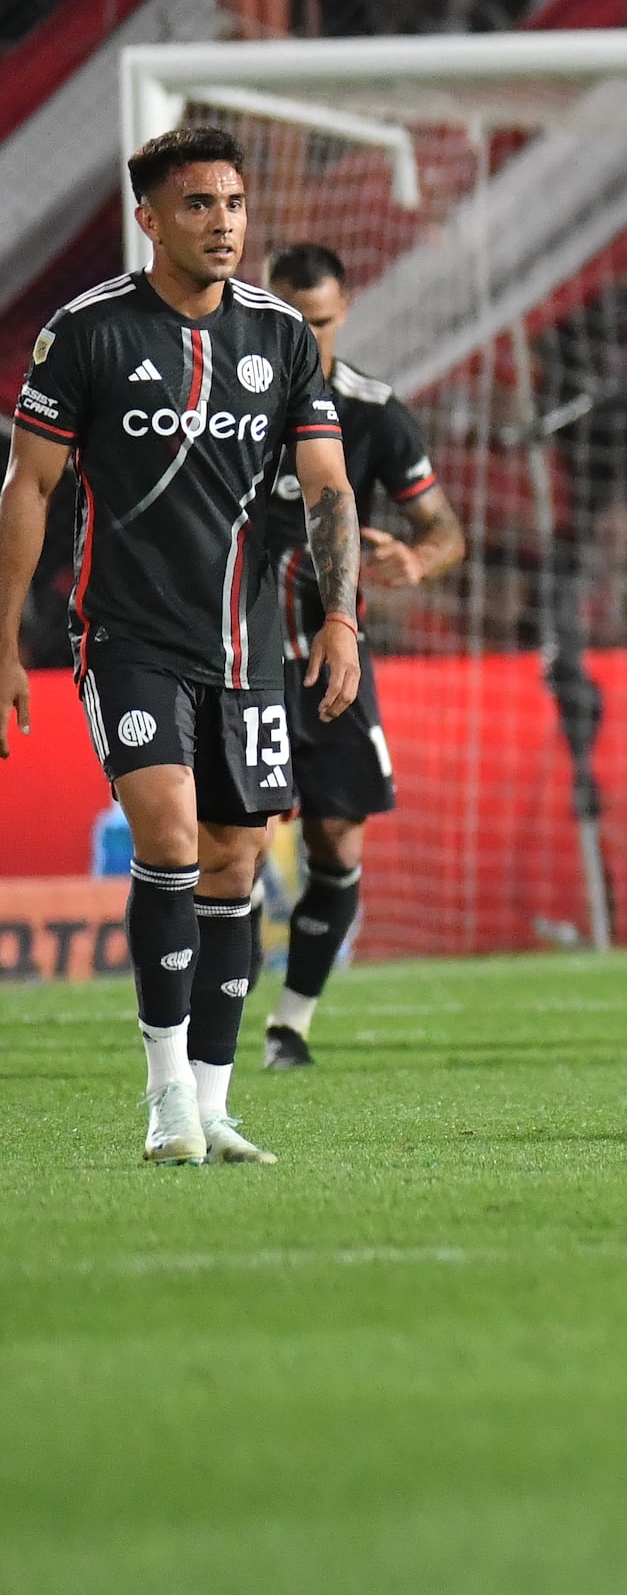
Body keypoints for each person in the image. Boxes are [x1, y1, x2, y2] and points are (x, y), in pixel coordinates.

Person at [0, 126, 362, 1163]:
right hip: (128, 634)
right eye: (199, 205)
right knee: (167, 837)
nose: (223, 224)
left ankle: (213, 1097)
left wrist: (340, 618)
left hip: (247, 646)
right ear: (149, 219)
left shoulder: (283, 338)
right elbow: (28, 488)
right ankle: (164, 1101)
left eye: (235, 204)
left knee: (236, 859)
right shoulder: (86, 333)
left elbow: (329, 490)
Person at [260, 241, 461, 1067]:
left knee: (338, 838)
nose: (306, 338)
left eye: (321, 322)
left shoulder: (373, 411)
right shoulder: (226, 401)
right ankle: (190, 1033)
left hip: (329, 657)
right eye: (290, 321)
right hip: (236, 657)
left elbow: (445, 528)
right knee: (227, 846)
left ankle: (291, 1024)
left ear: (344, 314)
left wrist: (421, 559)